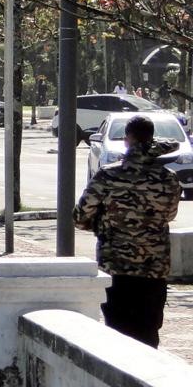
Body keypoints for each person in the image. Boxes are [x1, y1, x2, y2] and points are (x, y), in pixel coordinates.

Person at [73, 115, 181, 348]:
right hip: (154, 269)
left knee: (117, 335)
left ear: (126, 140)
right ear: (151, 138)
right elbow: (170, 215)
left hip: (116, 267)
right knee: (149, 334)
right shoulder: (168, 178)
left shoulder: (108, 175)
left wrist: (101, 223)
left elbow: (80, 216)